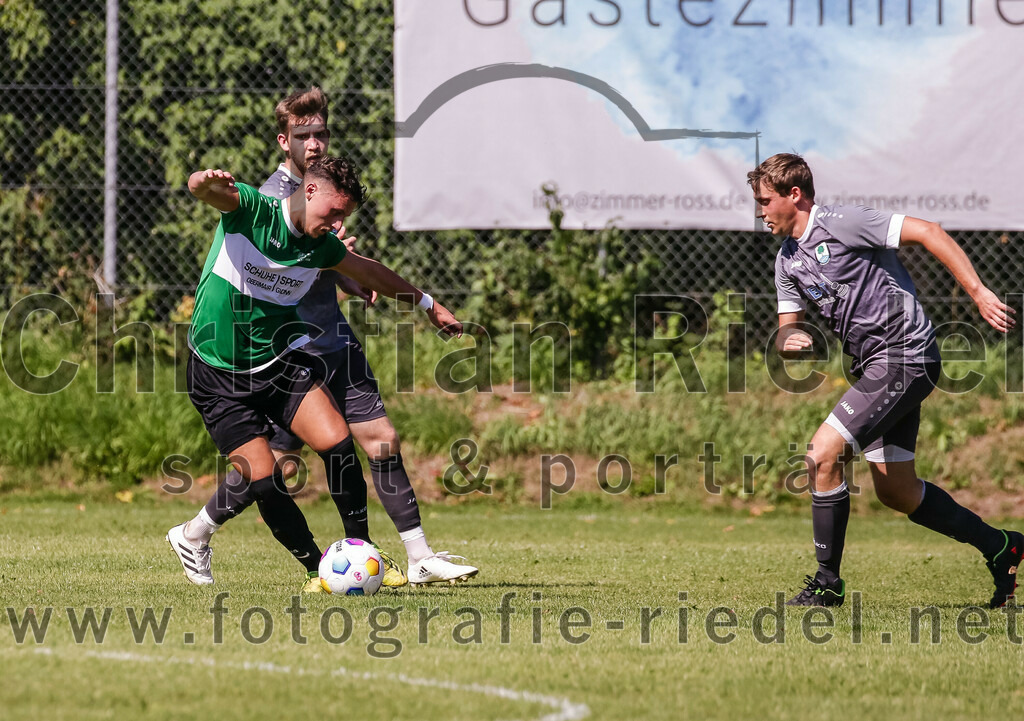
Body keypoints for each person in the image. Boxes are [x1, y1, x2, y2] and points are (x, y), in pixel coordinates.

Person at [168, 88, 478, 592]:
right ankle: (313, 569)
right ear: (308, 190)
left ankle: (362, 553)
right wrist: (205, 180)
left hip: (276, 363)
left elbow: (371, 272)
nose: (337, 226)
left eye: (343, 219)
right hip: (217, 374)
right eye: (334, 213)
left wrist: (427, 304)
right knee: (266, 480)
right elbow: (204, 190)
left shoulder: (322, 245)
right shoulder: (255, 209)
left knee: (338, 444)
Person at [750, 153, 1021, 608]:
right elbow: (785, 329)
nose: (760, 212)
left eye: (764, 201)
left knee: (822, 455)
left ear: (793, 195)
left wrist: (978, 293)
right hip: (874, 367)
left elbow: (929, 231)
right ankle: (1001, 546)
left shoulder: (843, 223)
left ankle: (827, 584)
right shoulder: (787, 260)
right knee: (897, 491)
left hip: (905, 356)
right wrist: (788, 341)